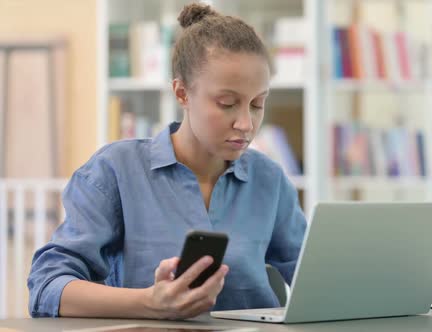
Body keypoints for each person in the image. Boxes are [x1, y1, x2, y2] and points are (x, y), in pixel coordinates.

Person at [27, 2, 306, 319]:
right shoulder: (117, 170)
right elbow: (47, 288)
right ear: (182, 94)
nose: (246, 123)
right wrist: (149, 302)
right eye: (227, 103)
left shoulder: (269, 179)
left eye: (257, 104)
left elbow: (318, 280)